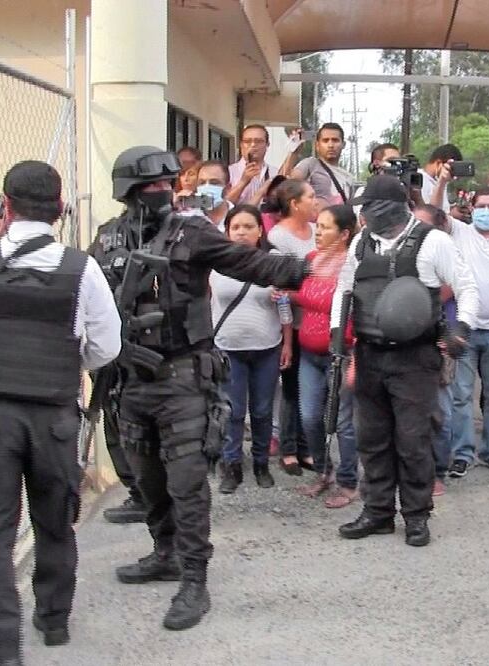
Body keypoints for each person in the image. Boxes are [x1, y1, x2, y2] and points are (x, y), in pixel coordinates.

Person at [104, 146, 306, 631]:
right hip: (131, 380)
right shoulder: (107, 238)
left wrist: (309, 269)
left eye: (168, 184)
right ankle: (165, 553)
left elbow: (247, 262)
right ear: (129, 191)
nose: (164, 192)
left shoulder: (191, 232)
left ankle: (195, 578)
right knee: (147, 479)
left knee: (187, 482)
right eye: (152, 186)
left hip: (183, 378)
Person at [0, 161, 121, 664]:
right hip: (54, 416)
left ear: (6, 206)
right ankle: (54, 621)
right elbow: (106, 346)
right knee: (55, 519)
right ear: (60, 209)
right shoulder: (82, 268)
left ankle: (3, 652)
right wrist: (65, 362)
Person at [332, 174, 478, 547]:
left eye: (368, 207)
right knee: (373, 438)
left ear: (390, 207)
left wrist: (462, 327)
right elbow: (344, 288)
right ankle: (378, 512)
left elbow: (466, 286)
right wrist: (337, 331)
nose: (364, 215)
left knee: (413, 440)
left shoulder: (433, 241)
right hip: (369, 353)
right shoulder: (361, 243)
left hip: (415, 356)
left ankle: (416, 515)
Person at [441, 187, 489, 479]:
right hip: (465, 329)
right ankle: (462, 454)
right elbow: (435, 211)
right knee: (460, 395)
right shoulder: (460, 233)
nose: (486, 211)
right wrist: (442, 181)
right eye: (481, 206)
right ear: (472, 208)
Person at [289, 204, 359, 508]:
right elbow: (305, 297)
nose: (318, 232)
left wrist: (357, 360)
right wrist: (289, 295)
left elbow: (358, 311)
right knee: (309, 416)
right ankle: (323, 471)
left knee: (343, 422)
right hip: (309, 352)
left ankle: (348, 482)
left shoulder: (354, 266)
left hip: (341, 353)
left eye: (326, 227)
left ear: (344, 234)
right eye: (317, 226)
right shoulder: (310, 261)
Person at [212, 205, 285, 493]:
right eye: (236, 227)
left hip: (267, 346)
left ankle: (261, 463)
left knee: (263, 410)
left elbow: (286, 307)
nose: (242, 232)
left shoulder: (274, 260)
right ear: (227, 231)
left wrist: (289, 344)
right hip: (228, 347)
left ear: (260, 230)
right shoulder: (215, 261)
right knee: (232, 410)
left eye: (248, 226)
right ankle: (231, 464)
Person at [87, 212, 151, 525]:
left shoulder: (167, 233)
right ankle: (139, 493)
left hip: (141, 341)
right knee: (114, 416)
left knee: (136, 419)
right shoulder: (106, 234)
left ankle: (147, 493)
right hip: (111, 341)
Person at [266, 179, 318, 476]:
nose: (315, 201)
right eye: (310, 196)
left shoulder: (316, 230)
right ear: (295, 204)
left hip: (316, 322)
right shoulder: (278, 237)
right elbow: (280, 287)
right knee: (290, 388)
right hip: (291, 323)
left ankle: (306, 446)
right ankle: (288, 448)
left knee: (310, 389)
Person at [412, 204, 454, 497]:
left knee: (440, 411)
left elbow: (445, 291)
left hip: (440, 339)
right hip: (408, 341)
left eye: (422, 225)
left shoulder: (447, 254)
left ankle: (438, 471)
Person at [287, 123, 354, 208]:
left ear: (343, 144)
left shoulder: (348, 178)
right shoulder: (310, 164)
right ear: (317, 145)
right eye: (325, 140)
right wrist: (294, 152)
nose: (330, 145)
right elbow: (289, 182)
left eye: (335, 140)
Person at [227, 125, 275, 206]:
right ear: (241, 145)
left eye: (259, 141)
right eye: (247, 141)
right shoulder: (229, 172)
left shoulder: (275, 173)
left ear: (267, 144)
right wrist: (243, 182)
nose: (253, 145)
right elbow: (223, 205)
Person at [420, 143, 464, 211]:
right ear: (438, 163)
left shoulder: (441, 182)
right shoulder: (419, 179)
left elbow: (443, 210)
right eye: (451, 169)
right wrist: (442, 181)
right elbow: (431, 213)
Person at [191, 160, 232, 230]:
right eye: (202, 183)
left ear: (228, 188)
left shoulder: (240, 216)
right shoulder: (187, 218)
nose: (207, 187)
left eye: (214, 183)